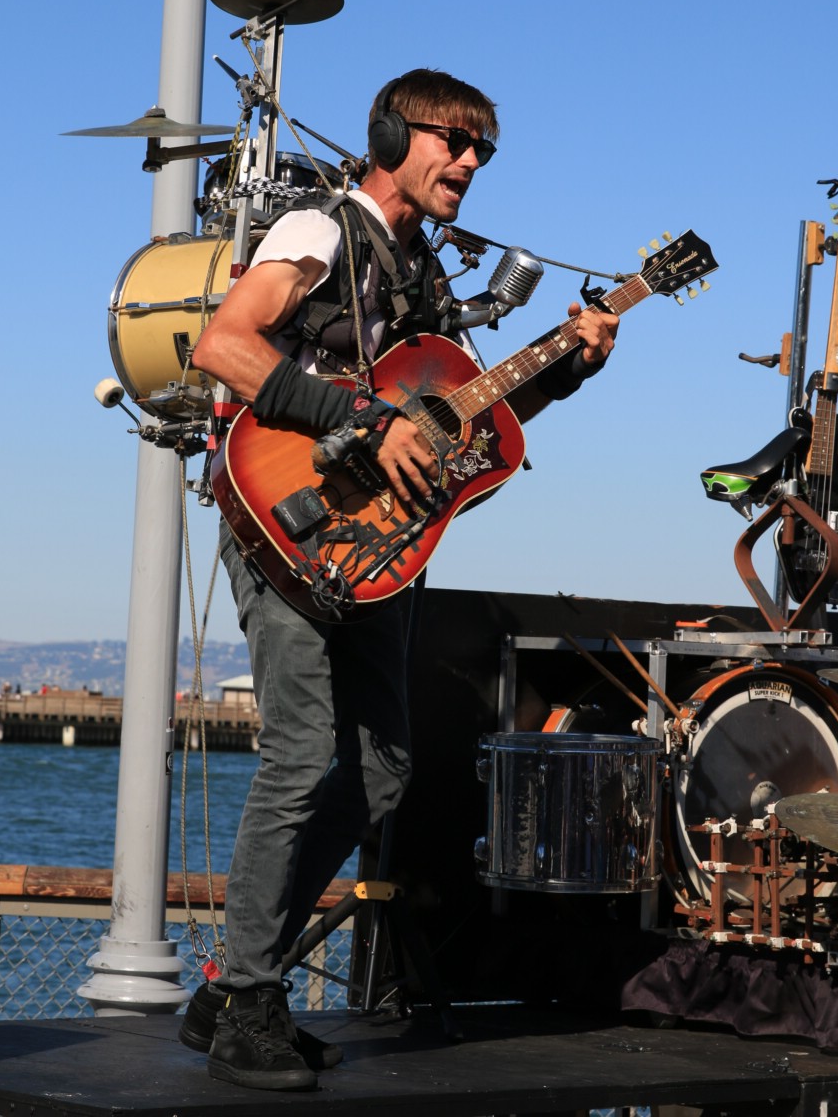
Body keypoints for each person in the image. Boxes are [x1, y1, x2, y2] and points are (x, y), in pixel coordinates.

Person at [181, 68, 619, 1092]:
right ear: (389, 133)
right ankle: (250, 1003)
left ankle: (232, 989)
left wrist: (567, 363)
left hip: (375, 550)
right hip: (291, 519)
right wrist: (361, 420)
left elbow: (457, 429)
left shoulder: (420, 275)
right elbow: (223, 345)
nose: (468, 161)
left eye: (481, 149)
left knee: (379, 773)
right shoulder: (319, 230)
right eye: (450, 140)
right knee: (300, 756)